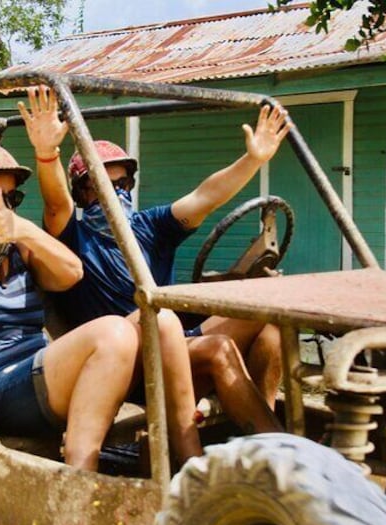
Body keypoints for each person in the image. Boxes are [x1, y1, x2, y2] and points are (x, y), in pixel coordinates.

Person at [19, 86, 289, 435]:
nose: (115, 193)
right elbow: (56, 203)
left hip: (176, 340)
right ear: (82, 194)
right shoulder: (71, 239)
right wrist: (46, 153)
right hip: (126, 360)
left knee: (272, 317)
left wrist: (252, 160)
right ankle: (277, 447)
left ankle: (261, 424)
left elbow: (206, 197)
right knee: (219, 348)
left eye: (123, 183)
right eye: (99, 185)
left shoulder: (150, 227)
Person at [0, 71, 141, 472]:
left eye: (10, 197)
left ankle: (182, 448)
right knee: (112, 330)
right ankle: (81, 472)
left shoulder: (19, 251)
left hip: (41, 369)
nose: (0, 207)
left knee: (147, 322)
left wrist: (25, 231)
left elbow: (72, 272)